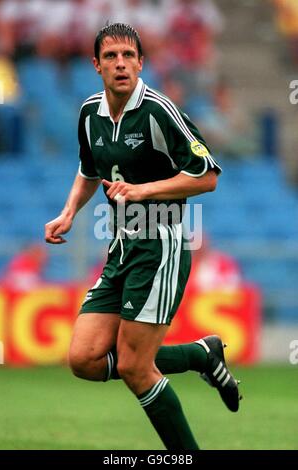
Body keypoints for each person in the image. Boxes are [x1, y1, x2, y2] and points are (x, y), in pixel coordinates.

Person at [45, 23, 241, 450]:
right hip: (120, 245)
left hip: (162, 243)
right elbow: (89, 170)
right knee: (84, 359)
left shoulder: (158, 111)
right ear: (96, 65)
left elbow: (207, 177)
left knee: (135, 367)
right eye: (112, 56)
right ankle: (199, 355)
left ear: (140, 63)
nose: (121, 64)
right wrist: (67, 213)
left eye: (129, 56)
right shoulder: (89, 113)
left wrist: (144, 190)